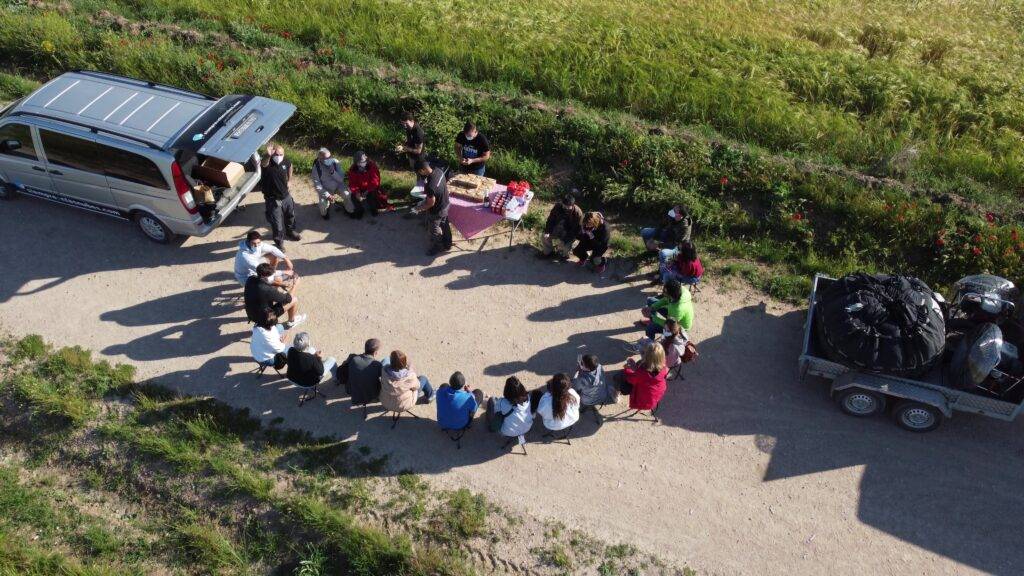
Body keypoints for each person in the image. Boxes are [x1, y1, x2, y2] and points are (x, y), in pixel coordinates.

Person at [259, 144, 300, 249]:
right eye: (276, 154)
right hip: (272, 199)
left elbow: (290, 166)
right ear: (272, 153)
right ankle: (279, 243)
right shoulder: (267, 163)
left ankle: (290, 232)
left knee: (290, 216)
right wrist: (268, 155)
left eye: (281, 154)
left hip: (286, 196)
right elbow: (263, 163)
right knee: (277, 224)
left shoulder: (285, 160)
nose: (279, 156)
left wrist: (290, 180)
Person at [244, 263, 305, 329]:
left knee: (277, 284)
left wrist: (281, 284)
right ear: (265, 276)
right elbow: (288, 299)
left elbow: (267, 281)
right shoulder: (268, 290)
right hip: (265, 318)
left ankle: (258, 322)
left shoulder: (250, 279)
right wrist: (295, 285)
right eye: (271, 275)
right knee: (294, 300)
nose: (273, 276)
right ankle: (291, 321)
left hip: (251, 313)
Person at [410, 158, 451, 256]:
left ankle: (438, 246)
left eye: (420, 173)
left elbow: (430, 203)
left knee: (434, 229)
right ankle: (448, 243)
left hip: (437, 211)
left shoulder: (430, 185)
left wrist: (418, 209)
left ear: (422, 170)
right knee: (445, 225)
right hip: (445, 203)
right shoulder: (439, 171)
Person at [380, 350, 434, 416]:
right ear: (404, 364)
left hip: (385, 402)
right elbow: (417, 387)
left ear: (391, 362)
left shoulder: (384, 371)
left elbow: (386, 363)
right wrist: (411, 370)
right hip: (403, 406)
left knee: (385, 360)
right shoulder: (410, 375)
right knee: (423, 378)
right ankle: (430, 395)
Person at [621, 342, 668, 412]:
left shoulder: (641, 372)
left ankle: (615, 395)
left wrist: (627, 368)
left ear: (647, 356)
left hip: (643, 402)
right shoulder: (664, 368)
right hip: (656, 396)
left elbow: (630, 379)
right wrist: (635, 368)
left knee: (620, 379)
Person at [338, 338, 384, 408]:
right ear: (375, 353)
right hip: (372, 394)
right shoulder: (377, 364)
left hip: (353, 392)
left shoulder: (353, 359)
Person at [538, 192, 583, 260]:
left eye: (568, 207)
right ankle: (549, 252)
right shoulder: (557, 206)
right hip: (557, 229)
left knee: (564, 246)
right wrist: (547, 231)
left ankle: (563, 255)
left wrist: (566, 239)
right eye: (564, 205)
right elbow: (551, 219)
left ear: (573, 205)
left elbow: (576, 230)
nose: (565, 207)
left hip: (568, 233)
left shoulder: (578, 213)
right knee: (544, 236)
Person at [311, 148, 352, 220]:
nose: (329, 159)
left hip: (338, 185)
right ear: (319, 159)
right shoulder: (316, 168)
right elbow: (318, 185)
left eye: (329, 157)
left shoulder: (336, 163)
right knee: (322, 204)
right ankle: (324, 214)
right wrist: (327, 195)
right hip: (326, 188)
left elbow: (341, 179)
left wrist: (333, 172)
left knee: (347, 194)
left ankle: (349, 210)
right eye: (325, 158)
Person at [346, 151, 392, 216]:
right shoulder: (353, 169)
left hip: (370, 187)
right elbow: (352, 183)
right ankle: (360, 211)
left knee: (371, 197)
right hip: (359, 188)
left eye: (364, 161)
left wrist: (367, 191)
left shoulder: (372, 166)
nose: (364, 163)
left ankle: (373, 209)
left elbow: (375, 181)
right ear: (356, 162)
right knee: (353, 197)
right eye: (361, 162)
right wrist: (357, 192)